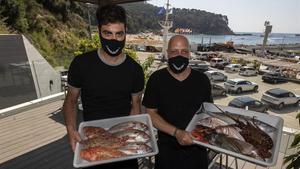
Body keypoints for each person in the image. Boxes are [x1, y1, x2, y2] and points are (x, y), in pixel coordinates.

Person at [62, 4, 144, 169]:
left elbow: (135, 107)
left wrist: (132, 138)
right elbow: (71, 100)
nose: (114, 40)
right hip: (92, 139)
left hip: (123, 142)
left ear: (125, 33)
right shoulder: (81, 64)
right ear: (99, 31)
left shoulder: (135, 70)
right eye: (108, 33)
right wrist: (71, 129)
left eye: (119, 34)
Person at [142, 35, 213, 169]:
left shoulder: (202, 80)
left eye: (184, 51)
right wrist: (177, 133)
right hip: (167, 153)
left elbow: (208, 112)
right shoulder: (156, 79)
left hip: (198, 152)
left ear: (189, 54)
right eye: (174, 51)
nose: (179, 56)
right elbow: (150, 113)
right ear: (167, 53)